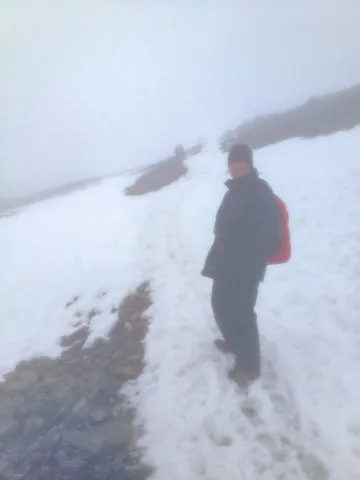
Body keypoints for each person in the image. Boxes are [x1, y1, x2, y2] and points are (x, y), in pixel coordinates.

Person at [201, 144, 280, 385]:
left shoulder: (259, 192)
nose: (235, 169)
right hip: (227, 262)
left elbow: (266, 236)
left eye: (240, 164)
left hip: (244, 267)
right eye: (232, 165)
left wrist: (241, 258)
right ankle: (233, 342)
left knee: (242, 313)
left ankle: (249, 365)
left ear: (249, 164)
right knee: (220, 305)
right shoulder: (236, 188)